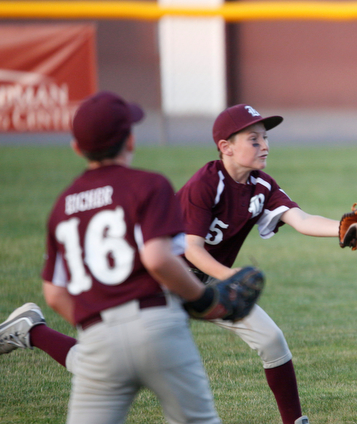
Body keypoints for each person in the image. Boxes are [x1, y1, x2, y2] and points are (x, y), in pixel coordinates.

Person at [1, 101, 357, 424]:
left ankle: (295, 422)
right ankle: (31, 331)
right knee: (98, 363)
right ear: (225, 146)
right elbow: (190, 249)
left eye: (265, 137)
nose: (264, 145)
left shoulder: (261, 185)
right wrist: (231, 280)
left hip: (204, 286)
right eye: (252, 138)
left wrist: (342, 228)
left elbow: (299, 218)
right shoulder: (204, 184)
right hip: (161, 287)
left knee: (271, 339)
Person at [0, 91, 222, 424]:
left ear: (76, 148)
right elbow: (158, 258)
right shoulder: (149, 184)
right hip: (156, 325)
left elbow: (54, 294)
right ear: (130, 141)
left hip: (97, 335)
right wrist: (204, 298)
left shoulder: (62, 207)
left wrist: (100, 323)